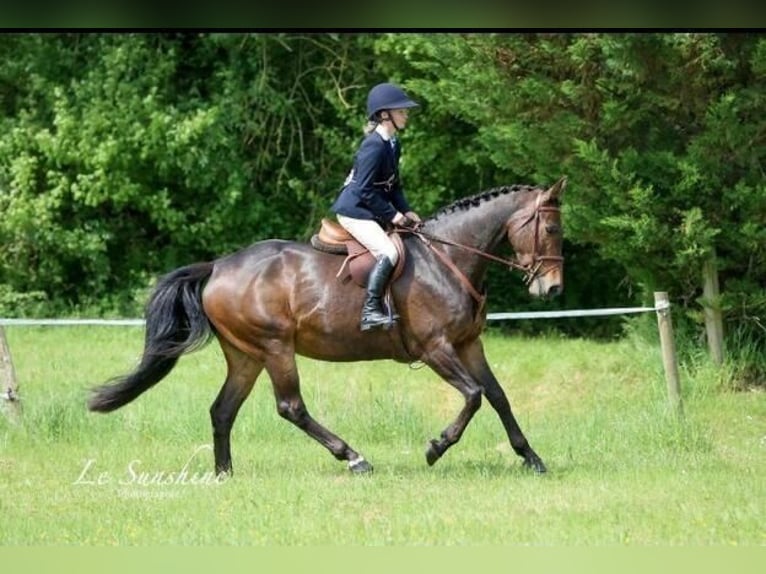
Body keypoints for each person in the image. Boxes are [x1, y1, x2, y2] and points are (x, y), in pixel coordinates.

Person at [331, 82, 422, 332]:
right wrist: (393, 215)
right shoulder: (373, 145)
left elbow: (393, 186)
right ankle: (370, 311)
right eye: (401, 111)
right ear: (385, 115)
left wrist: (406, 211)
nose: (406, 115)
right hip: (354, 210)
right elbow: (365, 190)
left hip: (369, 206)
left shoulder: (393, 143)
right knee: (389, 252)